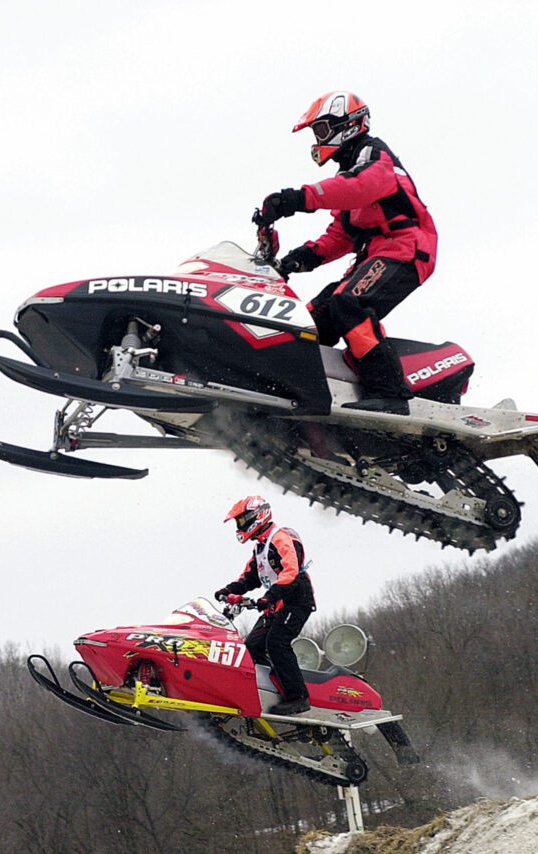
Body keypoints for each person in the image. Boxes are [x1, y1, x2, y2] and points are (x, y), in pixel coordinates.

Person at [253, 91, 438, 415]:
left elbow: (359, 187)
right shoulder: (350, 171)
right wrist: (300, 258)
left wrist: (297, 199)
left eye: (322, 131)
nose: (318, 140)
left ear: (349, 124)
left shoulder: (375, 156)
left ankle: (390, 393)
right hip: (374, 254)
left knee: (348, 303)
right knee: (310, 320)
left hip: (405, 248)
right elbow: (340, 234)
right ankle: (295, 388)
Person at [214, 495, 316, 716]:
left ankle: (298, 697)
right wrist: (229, 590)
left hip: (296, 601)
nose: (239, 527)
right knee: (252, 646)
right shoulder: (260, 548)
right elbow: (250, 577)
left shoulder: (280, 538)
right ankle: (272, 690)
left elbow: (291, 572)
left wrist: (269, 596)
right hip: (275, 604)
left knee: (277, 642)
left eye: (241, 521)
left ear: (256, 516)